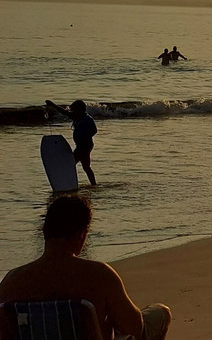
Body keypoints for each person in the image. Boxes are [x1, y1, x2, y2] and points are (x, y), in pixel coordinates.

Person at [0, 195, 172, 340]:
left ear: (44, 232)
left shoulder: (12, 282)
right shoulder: (99, 275)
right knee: (160, 314)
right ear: (82, 234)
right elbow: (134, 326)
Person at [45, 99, 98, 186]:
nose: (72, 112)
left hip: (84, 146)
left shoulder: (87, 119)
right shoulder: (77, 117)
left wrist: (85, 137)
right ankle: (93, 184)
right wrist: (52, 105)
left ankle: (68, 183)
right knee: (85, 167)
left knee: (70, 164)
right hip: (81, 146)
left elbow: (94, 131)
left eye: (74, 110)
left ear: (80, 110)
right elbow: (64, 112)